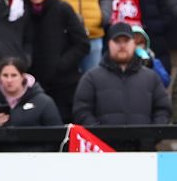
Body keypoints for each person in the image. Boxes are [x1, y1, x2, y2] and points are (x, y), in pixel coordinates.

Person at [72, 22, 171, 151]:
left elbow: (163, 111)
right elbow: (81, 112)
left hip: (144, 156)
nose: (122, 45)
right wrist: (99, 138)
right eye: (117, 41)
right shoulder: (91, 78)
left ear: (133, 44)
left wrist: (150, 138)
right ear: (109, 44)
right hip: (102, 157)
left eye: (126, 40)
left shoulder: (151, 77)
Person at [23, 0, 88, 123]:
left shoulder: (62, 9)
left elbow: (82, 44)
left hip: (64, 85)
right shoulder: (22, 11)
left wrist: (61, 64)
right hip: (34, 87)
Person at [0, 57, 62, 130]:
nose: (9, 80)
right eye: (5, 75)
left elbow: (56, 133)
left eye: (14, 75)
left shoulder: (44, 102)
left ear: (23, 77)